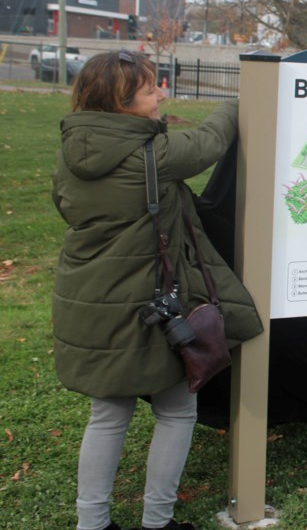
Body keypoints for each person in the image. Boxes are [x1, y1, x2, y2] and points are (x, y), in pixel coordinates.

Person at [51, 50, 264, 530]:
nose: (162, 93)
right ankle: (157, 522)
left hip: (88, 302)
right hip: (151, 305)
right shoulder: (155, 155)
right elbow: (211, 140)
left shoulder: (70, 152)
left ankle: (92, 523)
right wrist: (243, 99)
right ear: (121, 101)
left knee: (107, 416)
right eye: (151, 89)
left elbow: (65, 208)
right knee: (176, 411)